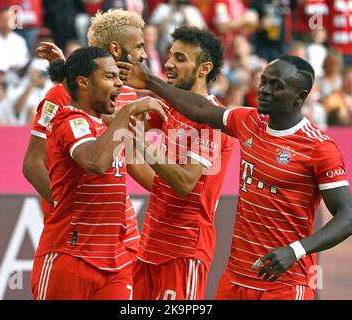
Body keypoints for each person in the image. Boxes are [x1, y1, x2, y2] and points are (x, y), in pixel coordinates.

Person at [119, 54, 352, 300]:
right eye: (264, 81)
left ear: (300, 95)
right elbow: (200, 109)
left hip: (284, 284)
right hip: (234, 280)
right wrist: (150, 80)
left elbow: (348, 218)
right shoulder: (249, 121)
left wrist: (295, 250)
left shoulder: (319, 148)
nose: (264, 90)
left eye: (276, 86)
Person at [31, 46, 167, 299]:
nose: (118, 84)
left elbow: (137, 163)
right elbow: (95, 161)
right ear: (83, 82)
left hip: (116, 262)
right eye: (109, 77)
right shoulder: (69, 120)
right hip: (71, 255)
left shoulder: (106, 122)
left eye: (118, 76)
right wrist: (127, 111)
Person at [119, 26, 234, 300]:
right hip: (149, 246)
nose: (169, 64)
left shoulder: (213, 120)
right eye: (170, 56)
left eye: (180, 58)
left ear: (204, 68)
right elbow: (136, 155)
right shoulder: (170, 107)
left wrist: (142, 145)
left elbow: (184, 182)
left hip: (185, 251)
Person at [23, 9, 148, 259]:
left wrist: (174, 193)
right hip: (73, 231)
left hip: (119, 229)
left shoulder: (129, 95)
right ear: (116, 48)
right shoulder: (59, 96)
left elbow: (133, 160)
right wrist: (65, 206)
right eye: (139, 46)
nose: (144, 54)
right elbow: (32, 164)